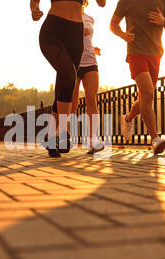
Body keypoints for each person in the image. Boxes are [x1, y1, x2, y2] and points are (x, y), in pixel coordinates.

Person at [31, 0, 106, 158]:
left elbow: (102, 3)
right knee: (69, 75)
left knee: (65, 83)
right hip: (53, 29)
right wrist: (35, 9)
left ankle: (51, 138)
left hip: (75, 34)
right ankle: (63, 133)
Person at [110, 0, 165, 154]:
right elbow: (113, 23)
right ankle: (155, 140)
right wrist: (122, 34)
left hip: (155, 53)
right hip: (135, 51)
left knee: (145, 98)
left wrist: (164, 21)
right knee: (147, 92)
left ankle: (127, 118)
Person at [71, 0, 104, 154]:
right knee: (73, 103)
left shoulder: (90, 18)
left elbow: (86, 38)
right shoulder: (68, 16)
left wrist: (93, 47)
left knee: (92, 100)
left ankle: (93, 140)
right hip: (73, 63)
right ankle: (66, 135)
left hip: (90, 61)